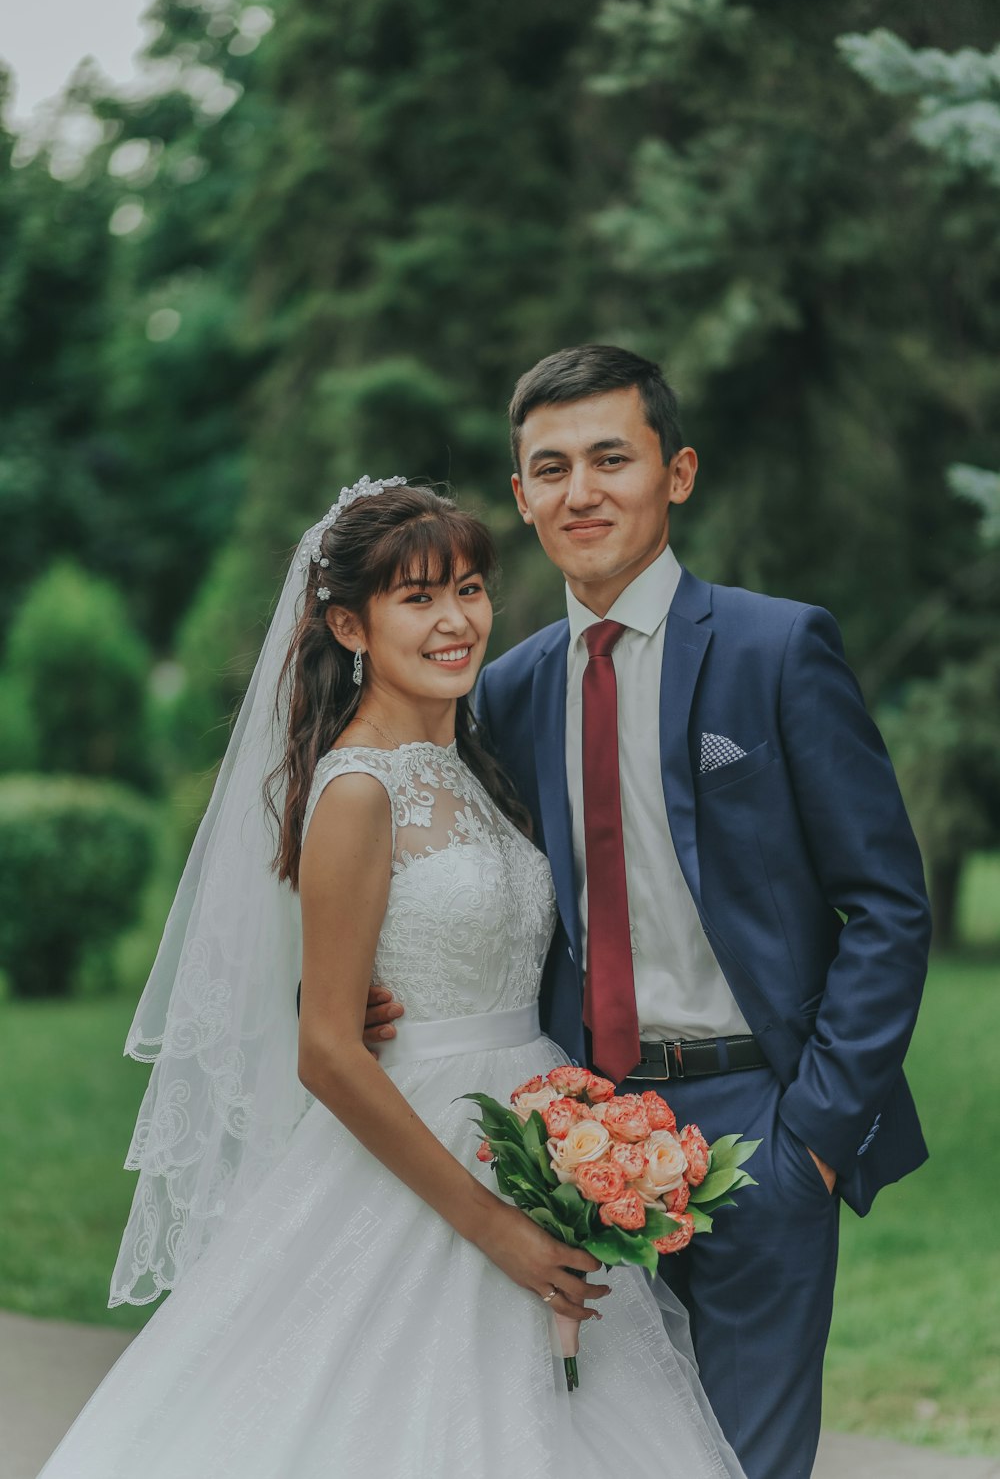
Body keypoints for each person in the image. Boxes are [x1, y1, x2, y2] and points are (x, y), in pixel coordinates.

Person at [37, 479, 746, 1479]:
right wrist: (495, 1227)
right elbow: (328, 1049)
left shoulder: (467, 759)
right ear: (347, 623)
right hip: (426, 1153)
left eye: (467, 587)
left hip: (533, 1123)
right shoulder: (358, 789)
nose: (455, 620)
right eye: (416, 598)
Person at [366, 347, 932, 1479]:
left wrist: (812, 1136)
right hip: (571, 1133)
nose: (582, 491)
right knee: (595, 1447)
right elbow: (464, 873)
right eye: (551, 467)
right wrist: (377, 988)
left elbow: (885, 904)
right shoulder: (510, 690)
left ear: (674, 474)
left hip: (761, 1122)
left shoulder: (778, 650)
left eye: (610, 459)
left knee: (747, 1464)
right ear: (520, 495)